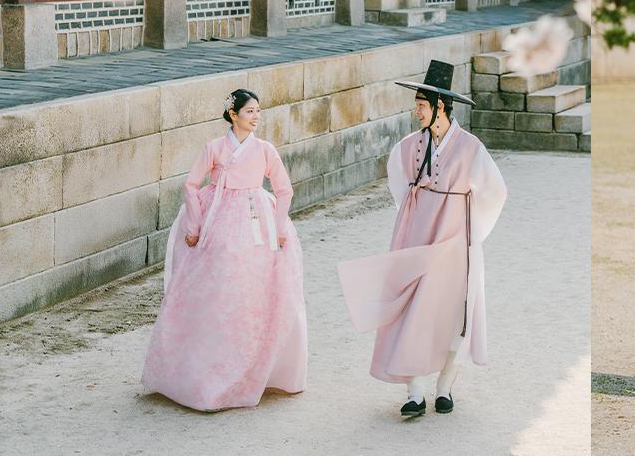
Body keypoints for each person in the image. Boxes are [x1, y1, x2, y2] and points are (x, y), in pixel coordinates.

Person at [338, 60, 506, 419]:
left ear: (440, 107)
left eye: (421, 106)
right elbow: (398, 183)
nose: (416, 112)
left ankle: (444, 386)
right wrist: (416, 214)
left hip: (455, 241)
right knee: (412, 308)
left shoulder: (471, 148)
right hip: (417, 239)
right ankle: (415, 391)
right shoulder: (408, 146)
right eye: (417, 105)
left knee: (454, 311)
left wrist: (471, 228)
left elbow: (496, 192)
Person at [142, 88, 307, 410]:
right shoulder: (214, 148)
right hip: (219, 217)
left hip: (256, 218)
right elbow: (191, 185)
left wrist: (279, 225)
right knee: (217, 293)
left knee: (256, 294)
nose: (256, 117)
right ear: (233, 115)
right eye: (250, 112)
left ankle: (259, 369)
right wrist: (195, 224)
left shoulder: (265, 149)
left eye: (258, 111)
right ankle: (204, 373)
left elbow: (284, 189)